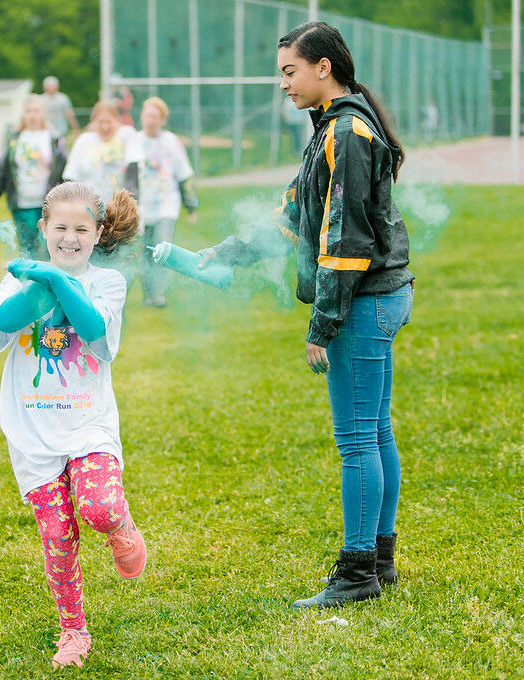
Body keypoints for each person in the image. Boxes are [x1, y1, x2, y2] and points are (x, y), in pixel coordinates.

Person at [199, 21, 415, 610]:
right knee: (375, 431)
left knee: (355, 439)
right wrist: (220, 254)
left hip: (365, 299)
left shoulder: (345, 131)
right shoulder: (335, 126)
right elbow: (294, 214)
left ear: (324, 68)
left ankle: (357, 572)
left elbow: (344, 238)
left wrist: (323, 326)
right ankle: (381, 560)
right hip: (381, 295)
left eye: (290, 71)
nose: (283, 84)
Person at [0, 181, 146, 669]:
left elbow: (94, 330)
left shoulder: (108, 283)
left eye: (82, 229)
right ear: (44, 228)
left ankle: (120, 528)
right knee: (57, 536)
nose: (70, 238)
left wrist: (57, 281)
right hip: (31, 430)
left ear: (98, 233)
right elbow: (7, 322)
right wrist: (40, 281)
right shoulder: (18, 281)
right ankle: (73, 630)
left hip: (87, 425)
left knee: (97, 508)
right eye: (60, 227)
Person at [63, 100, 142, 285]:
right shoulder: (84, 141)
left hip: (118, 216)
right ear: (93, 122)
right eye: (100, 122)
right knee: (90, 263)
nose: (105, 127)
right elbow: (70, 179)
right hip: (89, 215)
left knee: (121, 265)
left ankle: (114, 306)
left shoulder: (126, 137)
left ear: (118, 121)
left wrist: (131, 209)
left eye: (110, 121)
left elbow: (133, 176)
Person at [135, 96, 199, 307]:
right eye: (147, 115)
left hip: (165, 205)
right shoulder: (134, 142)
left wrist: (191, 206)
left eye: (155, 116)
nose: (150, 120)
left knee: (162, 249)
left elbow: (184, 175)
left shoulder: (170, 142)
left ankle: (159, 294)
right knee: (145, 252)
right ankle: (148, 294)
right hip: (141, 208)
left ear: (162, 119)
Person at [0, 94, 67, 259]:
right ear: (24, 113)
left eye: (36, 111)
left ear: (43, 113)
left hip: (48, 203)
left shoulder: (52, 137)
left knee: (49, 248)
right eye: (29, 111)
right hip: (22, 204)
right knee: (27, 249)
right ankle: (28, 282)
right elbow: (2, 169)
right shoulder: (14, 138)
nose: (33, 115)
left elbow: (64, 169)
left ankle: (48, 283)